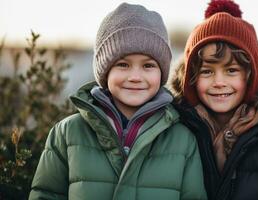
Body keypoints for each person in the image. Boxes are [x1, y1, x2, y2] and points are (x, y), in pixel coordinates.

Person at [29, 3, 207, 200]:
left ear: (162, 72)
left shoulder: (183, 140)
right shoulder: (67, 134)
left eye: (148, 65)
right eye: (123, 64)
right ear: (105, 71)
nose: (135, 76)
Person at [169, 0, 258, 199]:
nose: (219, 82)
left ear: (251, 76)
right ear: (191, 80)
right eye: (207, 71)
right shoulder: (175, 139)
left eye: (231, 70)